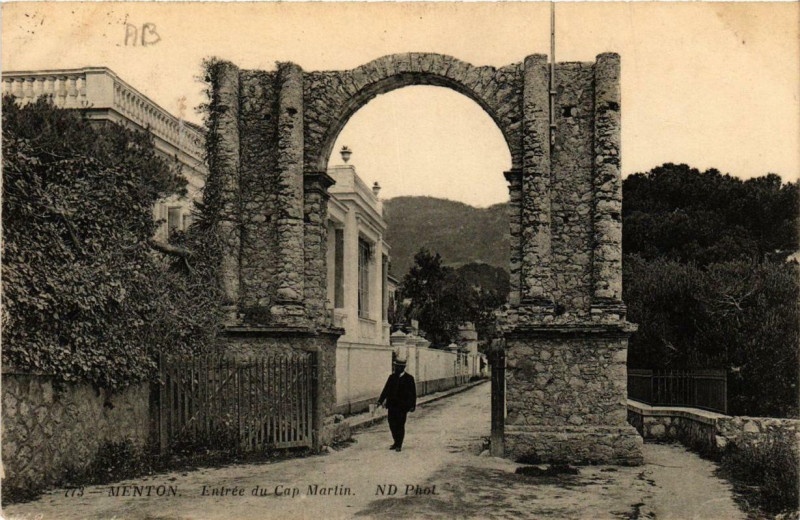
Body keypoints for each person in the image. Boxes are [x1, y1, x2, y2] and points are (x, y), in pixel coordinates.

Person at [376, 357, 416, 452]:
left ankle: (399, 444)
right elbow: (386, 390)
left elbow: (413, 393)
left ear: (403, 368)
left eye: (398, 367)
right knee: (391, 424)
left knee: (400, 425)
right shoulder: (392, 377)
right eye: (395, 366)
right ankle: (395, 441)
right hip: (392, 405)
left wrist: (412, 405)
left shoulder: (409, 378)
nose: (396, 368)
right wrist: (380, 401)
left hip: (402, 407)